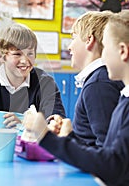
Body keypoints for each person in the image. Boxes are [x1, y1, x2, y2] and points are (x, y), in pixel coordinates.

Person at [24, 10, 129, 185]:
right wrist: (70, 136)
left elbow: (112, 163)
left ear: (123, 51)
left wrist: (45, 136)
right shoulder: (124, 97)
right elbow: (111, 153)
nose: (103, 55)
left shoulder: (99, 84)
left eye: (106, 47)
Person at [48, 11, 124, 146]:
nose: (69, 47)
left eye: (73, 38)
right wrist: (68, 135)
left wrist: (65, 143)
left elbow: (108, 151)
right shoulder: (99, 79)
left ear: (89, 40)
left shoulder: (98, 84)